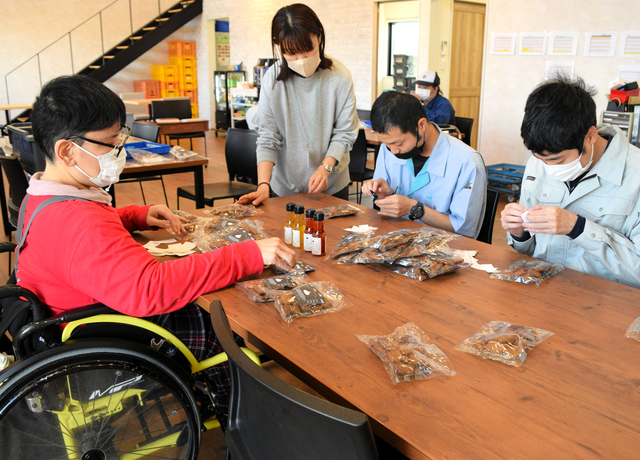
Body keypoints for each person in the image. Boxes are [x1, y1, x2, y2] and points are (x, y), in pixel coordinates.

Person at [17, 74, 297, 411]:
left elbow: (80, 238)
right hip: (108, 337)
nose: (119, 151)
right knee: (226, 323)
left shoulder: (42, 197)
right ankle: (237, 414)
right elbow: (151, 288)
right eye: (110, 143)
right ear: (67, 151)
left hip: (69, 325)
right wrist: (248, 254)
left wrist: (136, 214)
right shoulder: (80, 221)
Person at [501, 77, 640, 289]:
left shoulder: (635, 176)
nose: (549, 168)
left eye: (557, 160)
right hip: (544, 290)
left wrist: (578, 228)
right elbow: (529, 251)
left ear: (591, 136)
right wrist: (519, 233)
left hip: (606, 303)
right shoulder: (538, 164)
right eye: (541, 159)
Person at [237, 3, 359, 206]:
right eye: (291, 53)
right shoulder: (273, 80)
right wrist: (263, 184)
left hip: (332, 186)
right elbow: (268, 136)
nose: (300, 59)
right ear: (280, 47)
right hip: (284, 186)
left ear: (319, 36)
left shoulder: (340, 76)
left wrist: (325, 168)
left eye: (307, 50)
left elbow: (345, 133)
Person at [362, 91, 487, 239]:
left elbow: (463, 230)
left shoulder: (466, 162)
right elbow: (383, 205)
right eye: (387, 145)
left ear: (421, 125)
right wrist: (384, 195)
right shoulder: (388, 148)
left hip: (443, 250)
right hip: (395, 240)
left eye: (399, 143)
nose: (393, 151)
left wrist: (413, 209)